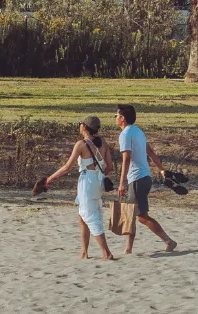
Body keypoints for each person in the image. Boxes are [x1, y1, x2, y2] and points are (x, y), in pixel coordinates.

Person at [41, 117, 116, 261]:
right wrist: (99, 175)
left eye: (81, 124)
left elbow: (67, 167)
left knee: (90, 216)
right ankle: (84, 252)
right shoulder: (104, 143)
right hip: (98, 181)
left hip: (87, 181)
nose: (79, 126)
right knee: (82, 217)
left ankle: (106, 252)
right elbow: (110, 167)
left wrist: (49, 179)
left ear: (85, 127)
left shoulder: (81, 144)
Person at [116, 104, 177, 254]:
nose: (115, 118)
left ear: (122, 118)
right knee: (133, 214)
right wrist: (161, 169)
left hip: (136, 179)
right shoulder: (138, 131)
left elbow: (126, 159)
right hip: (145, 178)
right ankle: (128, 248)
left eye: (116, 115)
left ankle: (168, 241)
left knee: (141, 217)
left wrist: (122, 182)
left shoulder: (125, 134)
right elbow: (150, 151)